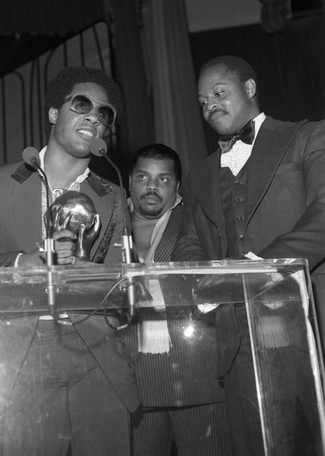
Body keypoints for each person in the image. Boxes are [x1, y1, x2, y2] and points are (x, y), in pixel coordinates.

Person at [0, 66, 140, 456]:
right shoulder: (1, 180)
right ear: (54, 113)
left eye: (105, 113)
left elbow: (125, 284)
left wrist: (87, 273)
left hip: (96, 353)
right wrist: (22, 263)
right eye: (82, 104)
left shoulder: (112, 196)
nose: (94, 116)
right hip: (20, 354)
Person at [172, 55, 325, 455]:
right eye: (203, 101)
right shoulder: (199, 174)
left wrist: (262, 269)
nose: (210, 107)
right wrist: (204, 284)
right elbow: (189, 240)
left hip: (310, 327)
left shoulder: (307, 136)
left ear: (250, 88)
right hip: (238, 343)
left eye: (219, 93)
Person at [124, 143, 229, 455]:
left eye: (164, 179)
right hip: (130, 384)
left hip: (198, 376)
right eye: (143, 177)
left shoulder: (197, 219)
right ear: (129, 180)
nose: (152, 187)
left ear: (178, 186)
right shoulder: (108, 222)